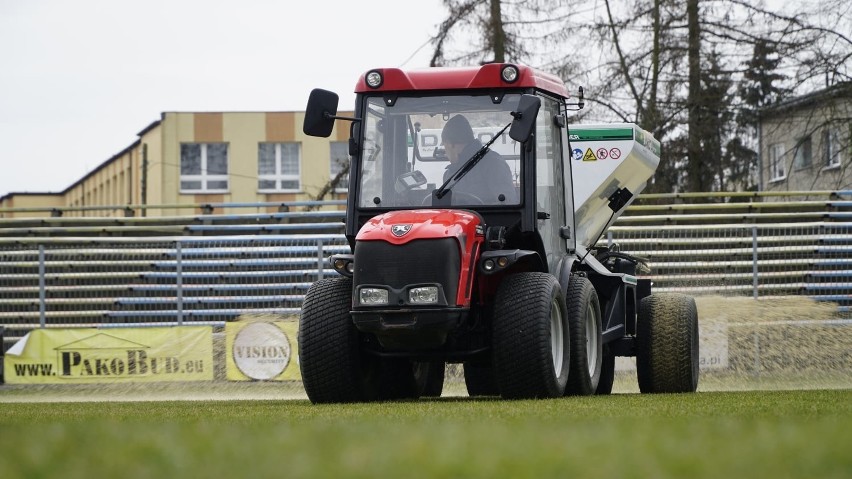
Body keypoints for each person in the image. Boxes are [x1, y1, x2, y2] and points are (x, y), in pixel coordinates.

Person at [440, 114, 518, 204]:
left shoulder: (493, 164)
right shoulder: (450, 173)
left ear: (450, 144)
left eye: (445, 147)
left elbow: (507, 202)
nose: (446, 154)